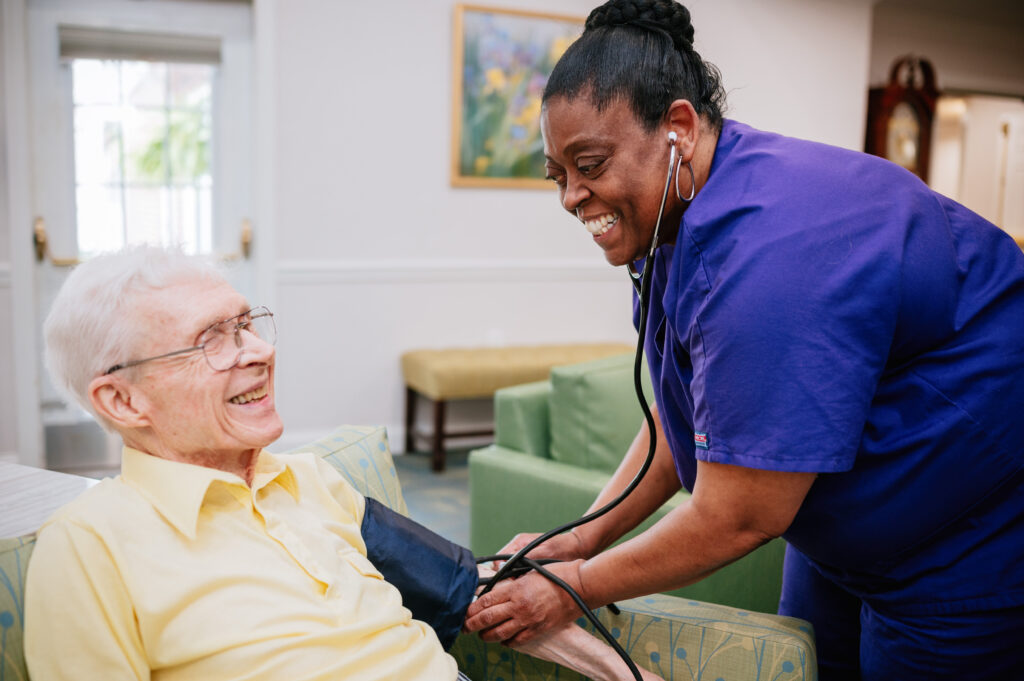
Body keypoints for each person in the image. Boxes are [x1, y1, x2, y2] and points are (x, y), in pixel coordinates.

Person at [463, 1, 1024, 679]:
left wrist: (573, 583)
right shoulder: (674, 216)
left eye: (590, 164)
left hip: (965, 542)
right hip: (841, 536)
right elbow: (684, 420)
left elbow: (737, 515)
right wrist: (577, 536)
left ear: (678, 127)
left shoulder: (771, 258)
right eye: (560, 176)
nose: (573, 197)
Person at [24, 247, 663, 681]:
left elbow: (472, 592)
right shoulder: (90, 546)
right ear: (123, 399)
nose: (257, 353)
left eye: (247, 323)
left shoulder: (308, 480)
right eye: (212, 339)